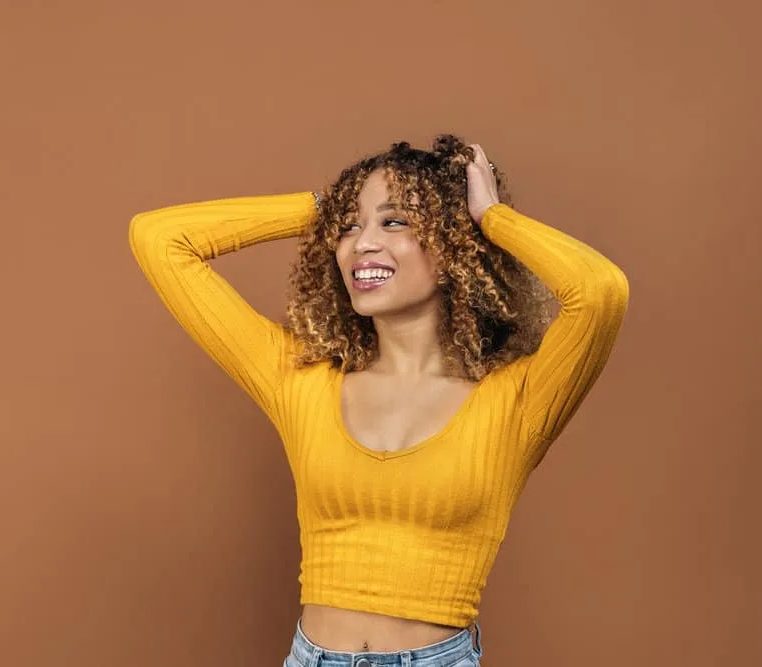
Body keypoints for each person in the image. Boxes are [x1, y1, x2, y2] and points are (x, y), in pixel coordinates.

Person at [128, 135, 630, 667]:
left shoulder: (517, 400)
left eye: (395, 222)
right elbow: (159, 239)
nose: (362, 242)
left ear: (452, 247)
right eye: (350, 227)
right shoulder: (299, 380)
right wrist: (321, 208)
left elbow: (599, 292)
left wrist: (490, 218)